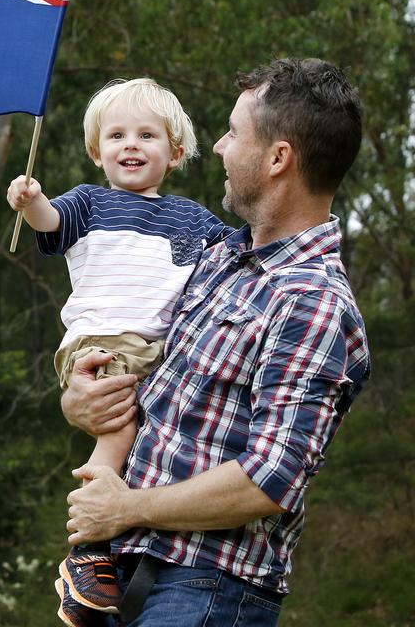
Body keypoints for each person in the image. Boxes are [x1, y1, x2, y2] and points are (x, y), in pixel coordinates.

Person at [60, 58, 370, 627]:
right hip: (125, 570)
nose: (221, 147)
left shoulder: (313, 301)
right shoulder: (216, 257)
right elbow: (149, 381)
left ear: (278, 159)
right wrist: (83, 401)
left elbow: (271, 477)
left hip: (208, 588)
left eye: (233, 132)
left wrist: (125, 506)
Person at [5, 78, 234, 626]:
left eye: (147, 135)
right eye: (116, 136)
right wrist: (33, 201)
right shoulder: (88, 203)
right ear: (96, 151)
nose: (130, 145)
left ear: (174, 152)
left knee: (149, 434)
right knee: (121, 424)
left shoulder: (194, 219)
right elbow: (51, 225)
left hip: (157, 348)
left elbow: (236, 249)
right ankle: (86, 545)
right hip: (102, 338)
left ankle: (111, 539)